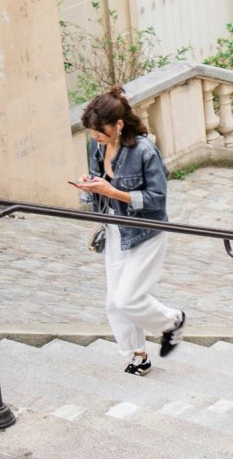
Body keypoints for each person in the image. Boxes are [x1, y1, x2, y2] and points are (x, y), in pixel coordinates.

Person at [73, 88, 185, 376]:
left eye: (99, 131)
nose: (95, 136)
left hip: (146, 231)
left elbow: (156, 199)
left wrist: (114, 191)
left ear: (118, 125)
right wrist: (91, 186)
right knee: (114, 303)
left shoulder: (144, 151)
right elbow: (102, 184)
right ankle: (139, 355)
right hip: (114, 229)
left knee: (128, 298)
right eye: (92, 131)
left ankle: (172, 321)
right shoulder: (97, 146)